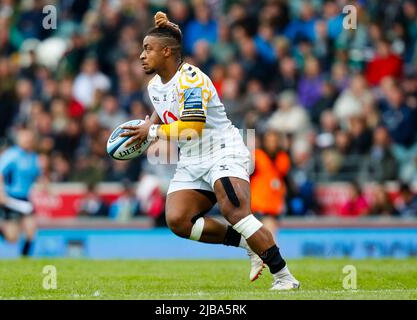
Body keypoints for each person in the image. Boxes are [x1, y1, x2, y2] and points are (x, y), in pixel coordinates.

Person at [120, 12, 299, 290]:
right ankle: (248, 244)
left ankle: (284, 276)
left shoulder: (191, 78)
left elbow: (192, 126)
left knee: (235, 213)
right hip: (191, 158)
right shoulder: (154, 84)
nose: (142, 55)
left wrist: (152, 132)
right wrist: (149, 122)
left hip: (222, 151)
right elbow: (164, 104)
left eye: (148, 49)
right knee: (178, 220)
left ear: (167, 52)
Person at [0, 127, 42, 256]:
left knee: (31, 231)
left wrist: (45, 184)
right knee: (12, 238)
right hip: (10, 198)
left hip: (24, 199)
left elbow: (37, 175)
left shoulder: (33, 157)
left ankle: (25, 260)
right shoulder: (11, 155)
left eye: (30, 137)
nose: (28, 140)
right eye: (25, 137)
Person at [251, 130, 290, 237]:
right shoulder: (257, 157)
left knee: (267, 235)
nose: (272, 144)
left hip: (275, 204)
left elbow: (285, 180)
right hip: (258, 203)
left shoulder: (283, 158)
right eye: (269, 141)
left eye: (274, 141)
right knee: (266, 233)